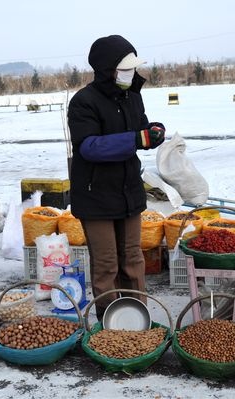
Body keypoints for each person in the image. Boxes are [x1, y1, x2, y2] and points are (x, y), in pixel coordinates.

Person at [67, 35, 165, 320]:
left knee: (133, 260)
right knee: (107, 264)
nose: (131, 74)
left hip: (128, 191)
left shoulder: (131, 95)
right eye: (125, 68)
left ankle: (137, 319)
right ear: (107, 69)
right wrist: (136, 138)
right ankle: (110, 322)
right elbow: (89, 146)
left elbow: (140, 129)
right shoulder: (83, 102)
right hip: (95, 194)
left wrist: (152, 132)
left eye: (133, 68)